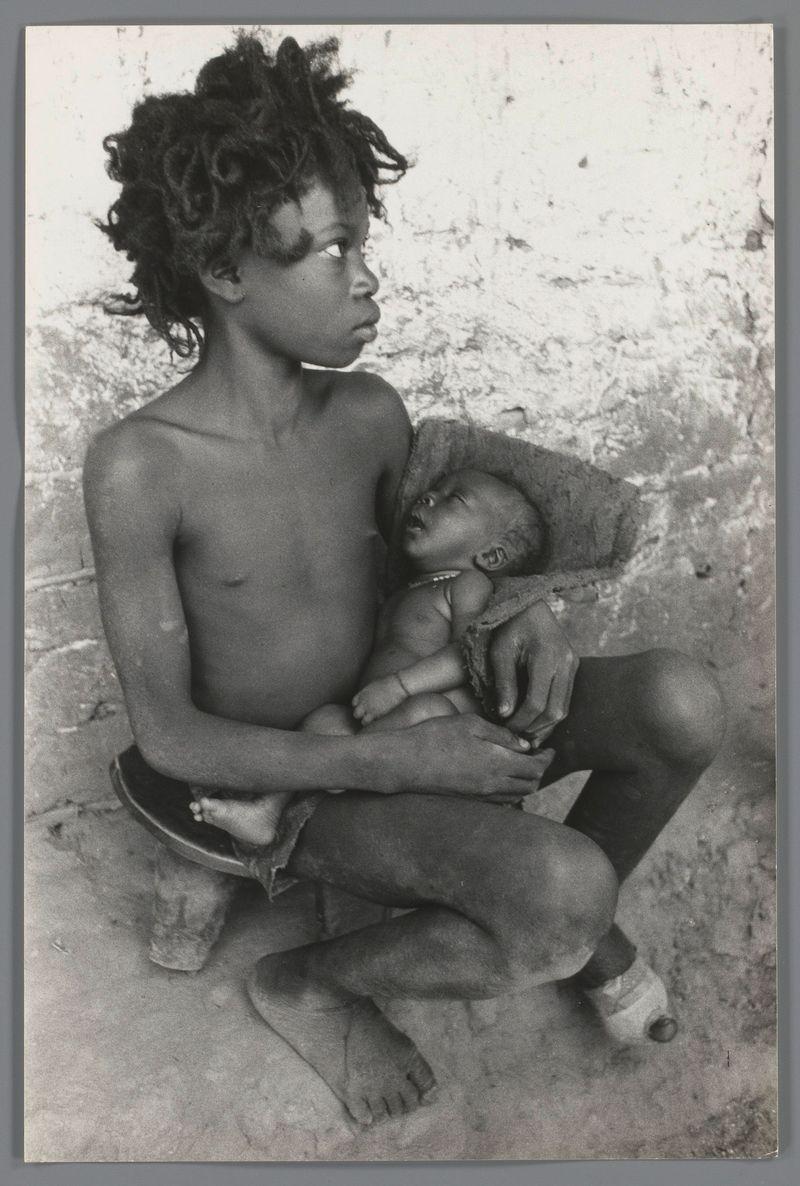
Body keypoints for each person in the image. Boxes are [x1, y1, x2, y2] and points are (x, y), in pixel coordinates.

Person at [84, 33, 726, 1128]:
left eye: (360, 242)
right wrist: (388, 759)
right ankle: (312, 979)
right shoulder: (142, 467)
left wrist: (526, 611)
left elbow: (430, 579)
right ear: (227, 272)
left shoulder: (372, 415)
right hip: (298, 784)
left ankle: (553, 921)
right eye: (327, 251)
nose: (365, 275)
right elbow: (173, 737)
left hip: (413, 713)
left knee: (681, 701)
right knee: (561, 891)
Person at [190, 466, 548, 846]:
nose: (428, 497)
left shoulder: (467, 585)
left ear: (491, 556)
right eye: (433, 488)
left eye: (454, 499)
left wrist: (398, 686)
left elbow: (469, 656)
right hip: (383, 723)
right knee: (326, 720)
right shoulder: (409, 589)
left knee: (425, 709)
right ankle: (269, 810)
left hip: (437, 720)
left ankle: (339, 772)